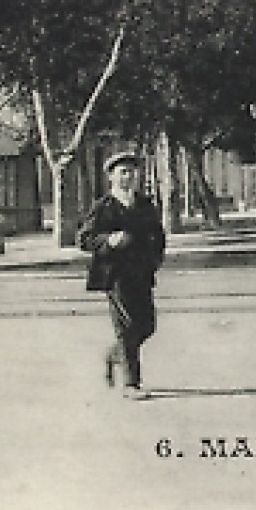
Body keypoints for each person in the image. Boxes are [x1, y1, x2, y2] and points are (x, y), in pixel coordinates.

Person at [78, 150, 167, 399]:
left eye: (132, 171)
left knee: (147, 325)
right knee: (126, 327)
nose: (129, 177)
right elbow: (84, 239)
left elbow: (158, 235)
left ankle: (113, 355)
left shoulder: (145, 205)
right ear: (111, 177)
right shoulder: (103, 207)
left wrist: (155, 259)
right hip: (114, 274)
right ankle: (131, 384)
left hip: (141, 272)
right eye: (123, 172)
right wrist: (109, 240)